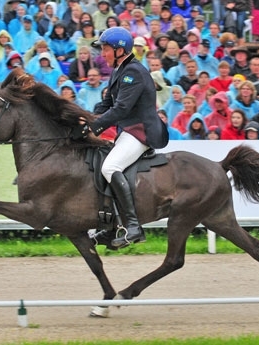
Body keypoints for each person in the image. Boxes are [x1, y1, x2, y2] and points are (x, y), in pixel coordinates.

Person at [85, 27, 169, 248]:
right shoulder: (119, 71)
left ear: (120, 49)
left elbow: (121, 109)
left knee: (110, 168)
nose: (102, 53)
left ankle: (133, 227)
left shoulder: (134, 72)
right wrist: (83, 119)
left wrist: (95, 126)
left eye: (105, 48)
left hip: (141, 132)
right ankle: (108, 227)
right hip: (129, 131)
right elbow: (106, 105)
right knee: (99, 165)